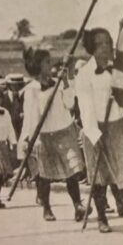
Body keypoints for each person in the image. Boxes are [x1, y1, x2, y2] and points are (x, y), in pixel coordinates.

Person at [76, 28, 123, 234]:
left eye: (108, 43)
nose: (106, 47)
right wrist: (94, 134)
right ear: (92, 48)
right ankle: (101, 218)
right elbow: (85, 107)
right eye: (100, 44)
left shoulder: (117, 69)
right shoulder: (84, 75)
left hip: (120, 124)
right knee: (100, 176)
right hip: (98, 128)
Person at [19, 48, 89, 223]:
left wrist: (65, 83)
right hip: (44, 135)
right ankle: (47, 208)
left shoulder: (58, 83)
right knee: (45, 175)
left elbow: (70, 104)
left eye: (50, 61)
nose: (50, 65)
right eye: (46, 62)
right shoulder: (31, 89)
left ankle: (78, 206)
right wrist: (28, 137)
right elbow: (30, 115)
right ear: (37, 65)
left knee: (72, 170)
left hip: (64, 130)